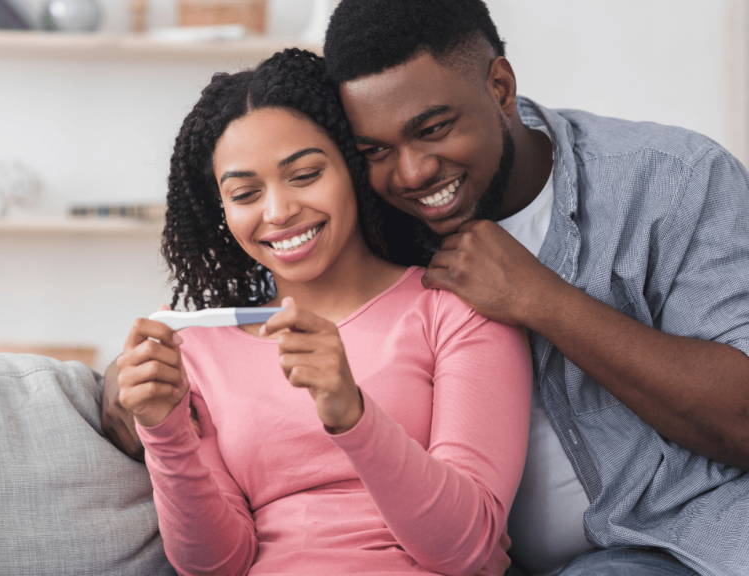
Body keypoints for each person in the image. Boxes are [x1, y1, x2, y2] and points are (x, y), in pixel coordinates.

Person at [320, 1, 749, 576]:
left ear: (500, 86)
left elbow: (743, 416)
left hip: (676, 543)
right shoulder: (373, 225)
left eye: (434, 129)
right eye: (376, 150)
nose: (412, 172)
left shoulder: (675, 179)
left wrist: (541, 298)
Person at [114, 48, 532, 575]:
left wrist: (352, 414)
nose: (279, 211)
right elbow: (218, 565)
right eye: (245, 192)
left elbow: (466, 547)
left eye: (305, 175)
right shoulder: (200, 351)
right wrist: (164, 434)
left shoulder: (456, 312)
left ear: (352, 169)